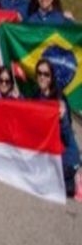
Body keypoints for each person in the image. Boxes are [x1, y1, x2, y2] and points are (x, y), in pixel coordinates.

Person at [34, 58, 82, 200]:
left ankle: (74, 176)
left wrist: (63, 119)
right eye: (39, 73)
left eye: (46, 74)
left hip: (65, 151)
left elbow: (67, 136)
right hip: (47, 150)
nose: (42, 77)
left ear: (51, 77)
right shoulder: (37, 97)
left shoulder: (59, 100)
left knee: (57, 187)